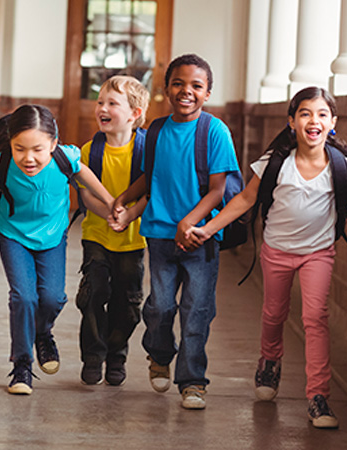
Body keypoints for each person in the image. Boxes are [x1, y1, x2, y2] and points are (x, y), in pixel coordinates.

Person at [185, 86, 347, 428]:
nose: (313, 120)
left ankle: (318, 397)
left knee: (315, 318)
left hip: (318, 253)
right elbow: (244, 200)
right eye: (304, 113)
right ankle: (269, 362)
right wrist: (208, 229)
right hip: (277, 251)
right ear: (291, 122)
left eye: (321, 114)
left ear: (333, 123)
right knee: (274, 314)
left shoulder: (340, 166)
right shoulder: (275, 164)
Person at [111, 54, 240, 410]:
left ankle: (193, 381)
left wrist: (191, 222)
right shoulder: (154, 130)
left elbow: (217, 189)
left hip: (201, 239)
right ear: (166, 89)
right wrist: (125, 198)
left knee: (196, 311)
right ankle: (160, 354)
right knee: (160, 307)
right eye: (178, 84)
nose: (187, 91)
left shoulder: (214, 131)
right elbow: (148, 177)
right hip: (160, 234)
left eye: (196, 86)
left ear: (208, 93)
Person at [0, 105, 114, 395]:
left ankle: (42, 333)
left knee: (52, 298)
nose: (28, 158)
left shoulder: (65, 157)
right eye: (20, 148)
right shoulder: (5, 161)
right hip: (14, 235)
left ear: (53, 144)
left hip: (52, 237)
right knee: (23, 297)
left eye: (37, 149)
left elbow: (83, 173)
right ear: (11, 144)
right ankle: (22, 364)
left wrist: (110, 202)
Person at [74, 76, 150, 386]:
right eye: (100, 102)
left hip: (134, 238)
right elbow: (85, 194)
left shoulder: (146, 150)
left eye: (112, 103)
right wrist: (109, 213)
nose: (102, 108)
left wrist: (130, 214)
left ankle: (116, 353)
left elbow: (150, 191)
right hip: (97, 233)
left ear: (135, 113)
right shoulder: (90, 150)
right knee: (92, 295)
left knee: (127, 304)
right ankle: (93, 354)